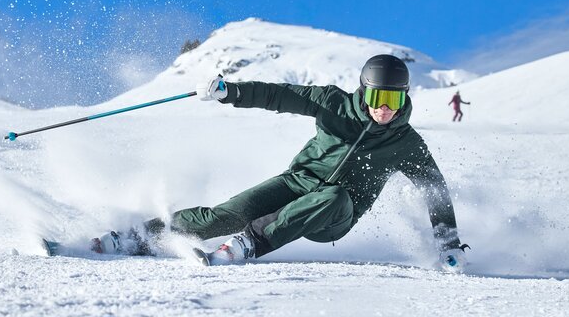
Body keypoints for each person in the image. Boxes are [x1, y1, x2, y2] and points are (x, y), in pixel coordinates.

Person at [92, 54, 469, 270]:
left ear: (405, 99)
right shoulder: (333, 103)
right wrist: (231, 92)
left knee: (334, 196)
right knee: (224, 215)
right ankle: (135, 237)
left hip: (335, 213)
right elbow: (280, 95)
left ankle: (248, 245)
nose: (384, 108)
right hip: (296, 182)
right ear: (363, 89)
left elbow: (434, 189)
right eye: (377, 95)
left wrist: (447, 241)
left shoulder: (405, 142)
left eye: (394, 99)